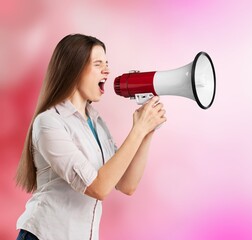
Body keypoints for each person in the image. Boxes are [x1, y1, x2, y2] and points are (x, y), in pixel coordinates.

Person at [15, 33, 167, 240]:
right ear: (74, 70)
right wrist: (138, 129)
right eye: (98, 64)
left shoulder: (96, 123)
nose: (107, 70)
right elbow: (98, 188)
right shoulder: (49, 123)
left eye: (107, 63)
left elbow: (127, 184)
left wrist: (147, 132)